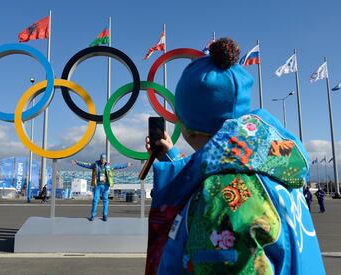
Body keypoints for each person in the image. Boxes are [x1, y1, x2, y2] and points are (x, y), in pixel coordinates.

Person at [144, 38, 325, 274]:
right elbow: (214, 166)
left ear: (187, 124)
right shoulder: (274, 169)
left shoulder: (223, 202)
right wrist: (171, 156)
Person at [72, 153, 131, 221]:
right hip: (97, 185)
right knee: (95, 200)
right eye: (102, 158)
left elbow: (118, 166)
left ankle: (105, 215)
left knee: (105, 200)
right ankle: (93, 215)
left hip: (105, 185)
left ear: (106, 159)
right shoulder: (95, 165)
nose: (103, 160)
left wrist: (126, 164)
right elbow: (86, 165)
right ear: (100, 158)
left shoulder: (109, 165)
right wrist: (77, 162)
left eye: (104, 159)